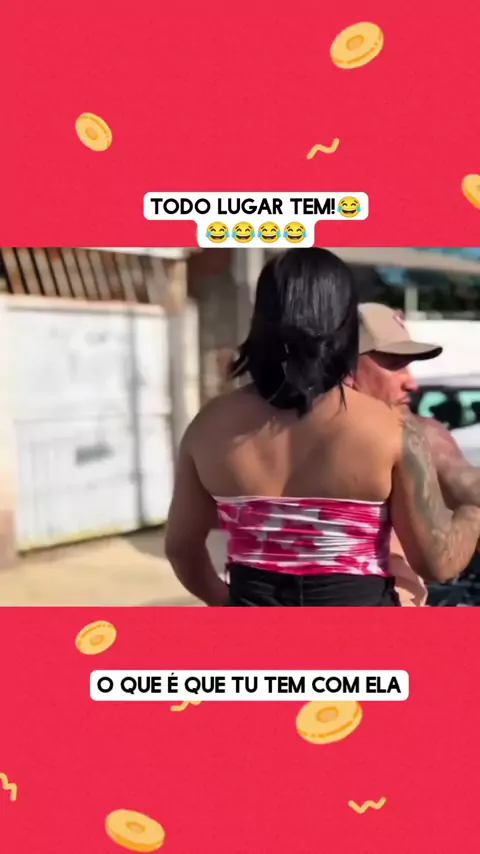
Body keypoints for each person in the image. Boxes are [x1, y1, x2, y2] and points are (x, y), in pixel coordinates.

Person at [165, 249, 480, 607]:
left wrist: (230, 605)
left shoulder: (209, 425)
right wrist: (472, 513)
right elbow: (438, 562)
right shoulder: (390, 430)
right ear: (343, 324)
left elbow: (181, 549)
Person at [354, 302, 480, 605]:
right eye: (394, 364)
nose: (411, 382)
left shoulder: (418, 433)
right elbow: (439, 563)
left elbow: (469, 486)